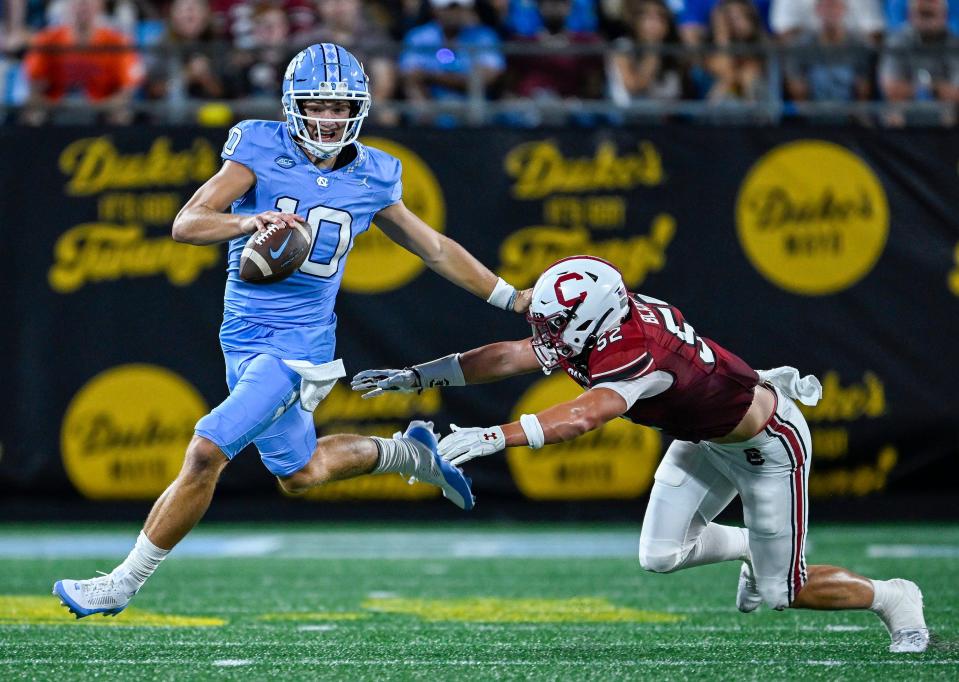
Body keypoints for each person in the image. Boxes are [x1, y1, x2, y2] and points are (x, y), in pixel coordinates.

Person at [52, 43, 531, 619]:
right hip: (244, 337)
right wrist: (249, 219)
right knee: (301, 473)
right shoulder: (258, 146)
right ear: (291, 105)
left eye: (339, 106)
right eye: (316, 105)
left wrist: (510, 296)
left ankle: (121, 583)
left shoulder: (376, 174)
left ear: (359, 108)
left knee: (207, 451)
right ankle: (405, 453)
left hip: (299, 350)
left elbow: (434, 249)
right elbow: (187, 223)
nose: (328, 119)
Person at [352, 255, 930, 654]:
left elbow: (584, 415)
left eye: (556, 326)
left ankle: (894, 599)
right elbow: (508, 355)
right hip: (704, 436)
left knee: (788, 592)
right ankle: (760, 550)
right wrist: (417, 377)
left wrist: (492, 436)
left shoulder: (637, 351)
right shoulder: (601, 319)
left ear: (593, 319)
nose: (546, 336)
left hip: (765, 445)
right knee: (660, 555)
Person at [21, 0, 144, 125]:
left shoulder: (118, 42)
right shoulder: (46, 41)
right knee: (33, 113)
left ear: (100, 6)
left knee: (122, 114)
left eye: (88, 3)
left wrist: (96, 106)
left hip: (103, 110)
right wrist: (57, 105)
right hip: (55, 109)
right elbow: (34, 87)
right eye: (78, 2)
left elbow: (126, 91)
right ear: (67, 6)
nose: (82, 7)